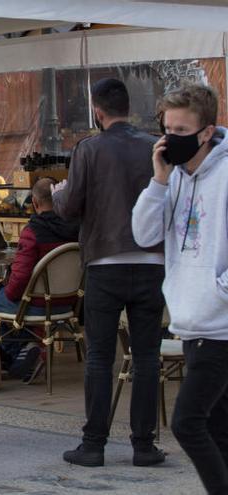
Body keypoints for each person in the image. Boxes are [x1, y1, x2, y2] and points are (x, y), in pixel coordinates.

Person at [52, 78, 166, 468]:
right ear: (127, 107)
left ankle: (94, 444)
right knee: (147, 356)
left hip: (104, 260)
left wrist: (54, 192)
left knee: (100, 356)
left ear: (97, 111)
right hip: (152, 261)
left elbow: (68, 207)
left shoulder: (88, 149)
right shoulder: (154, 145)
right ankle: (144, 446)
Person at [132, 83, 228, 493]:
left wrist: (219, 290)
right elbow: (143, 233)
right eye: (166, 128)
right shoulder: (175, 179)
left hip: (220, 325)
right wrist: (159, 182)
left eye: (182, 130)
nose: (171, 138)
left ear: (207, 132)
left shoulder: (224, 174)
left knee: (188, 422)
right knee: (219, 429)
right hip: (191, 323)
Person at [0, 178, 79, 377]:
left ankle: (21, 351)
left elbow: (20, 278)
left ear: (35, 203)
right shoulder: (76, 229)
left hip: (37, 303)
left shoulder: (33, 232)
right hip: (69, 303)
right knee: (3, 304)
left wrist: (7, 294)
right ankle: (27, 349)